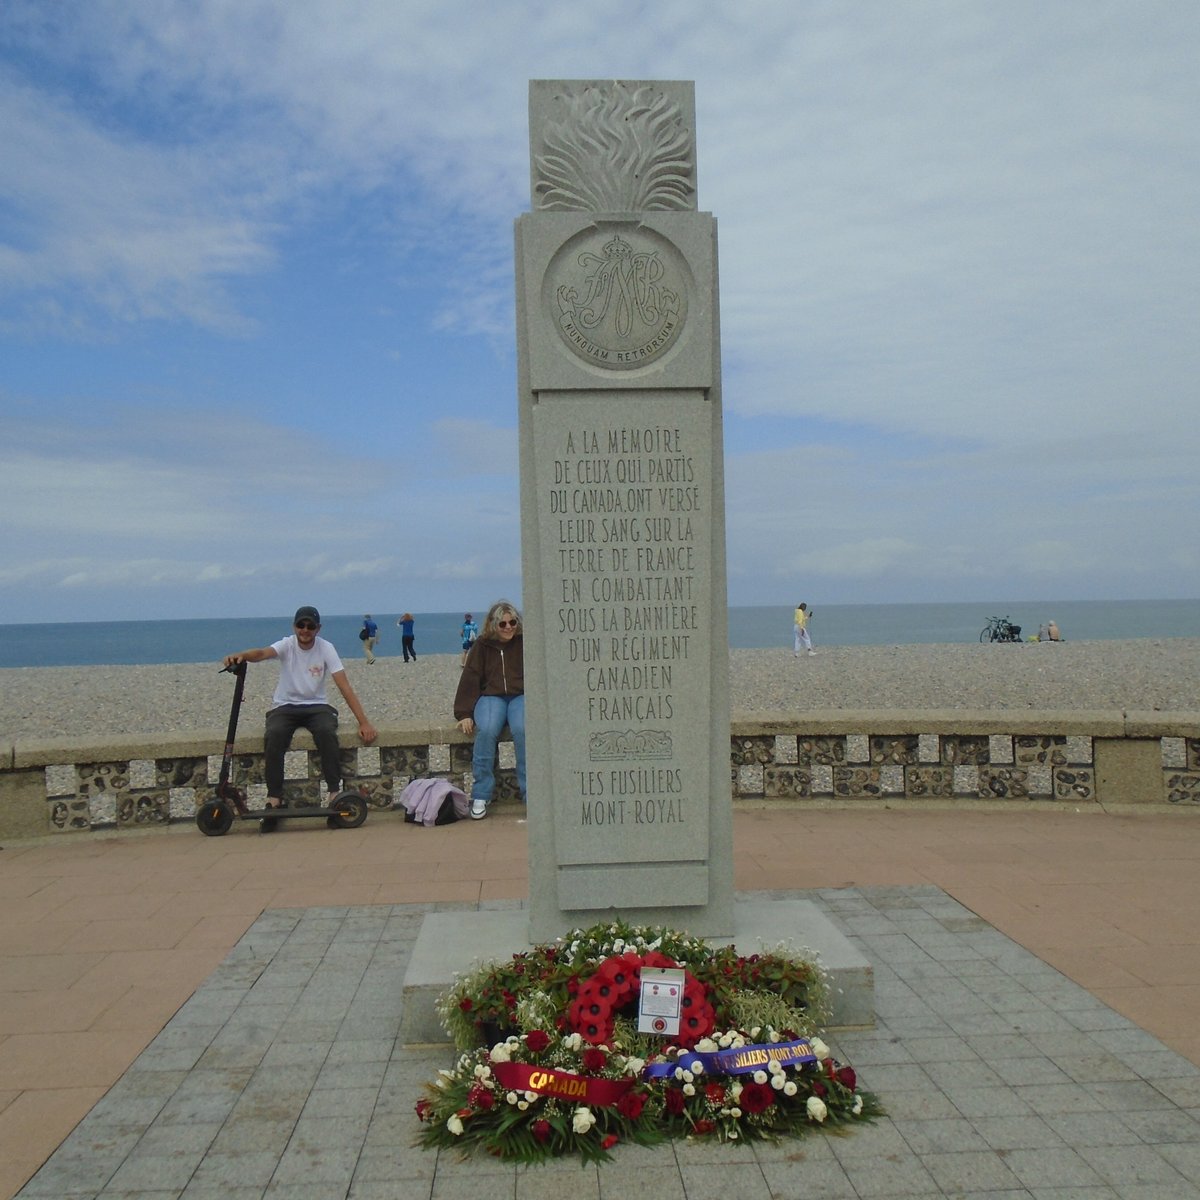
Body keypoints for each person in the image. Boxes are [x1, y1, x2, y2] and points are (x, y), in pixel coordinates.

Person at [223, 605, 378, 811]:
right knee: (275, 734)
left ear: (318, 628)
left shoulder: (326, 648)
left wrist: (364, 722)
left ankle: (334, 791)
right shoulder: (287, 645)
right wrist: (242, 655)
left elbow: (344, 685)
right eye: (301, 625)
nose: (305, 630)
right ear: (294, 626)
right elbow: (262, 653)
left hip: (317, 706)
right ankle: (274, 797)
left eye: (310, 626)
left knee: (326, 732)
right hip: (285, 706)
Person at [454, 600, 526, 820]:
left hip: (520, 696)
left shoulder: (525, 643)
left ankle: (532, 793)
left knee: (524, 731)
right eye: (502, 624)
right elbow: (470, 678)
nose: (508, 627)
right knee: (485, 731)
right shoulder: (482, 646)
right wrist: (464, 713)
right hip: (491, 697)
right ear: (493, 625)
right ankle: (481, 794)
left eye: (512, 622)